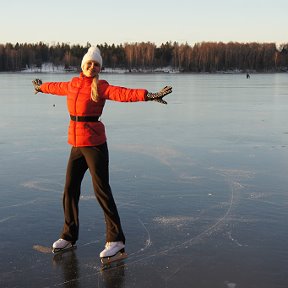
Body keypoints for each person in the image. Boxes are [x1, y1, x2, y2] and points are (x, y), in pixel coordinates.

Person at [32, 46, 172, 260]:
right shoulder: (72, 84)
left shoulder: (101, 86)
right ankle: (69, 236)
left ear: (99, 68)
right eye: (89, 63)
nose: (92, 67)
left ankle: (116, 240)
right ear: (83, 65)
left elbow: (123, 93)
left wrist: (148, 95)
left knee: (101, 191)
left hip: (95, 144)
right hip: (77, 145)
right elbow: (55, 87)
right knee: (70, 189)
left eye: (96, 64)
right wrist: (42, 88)